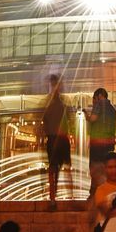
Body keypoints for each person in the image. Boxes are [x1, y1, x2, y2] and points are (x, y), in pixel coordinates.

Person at [42, 75, 72, 207]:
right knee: (55, 168)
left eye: (57, 85)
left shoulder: (58, 103)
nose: (56, 88)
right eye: (54, 85)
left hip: (59, 138)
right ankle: (54, 197)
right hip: (55, 138)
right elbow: (44, 123)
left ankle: (67, 196)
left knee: (63, 168)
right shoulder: (50, 104)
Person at [86, 88, 116, 195]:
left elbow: (93, 119)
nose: (94, 102)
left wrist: (87, 116)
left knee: (94, 169)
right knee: (106, 169)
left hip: (97, 145)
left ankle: (94, 193)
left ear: (99, 96)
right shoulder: (113, 110)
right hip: (109, 145)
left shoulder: (99, 104)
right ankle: (107, 192)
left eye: (94, 99)